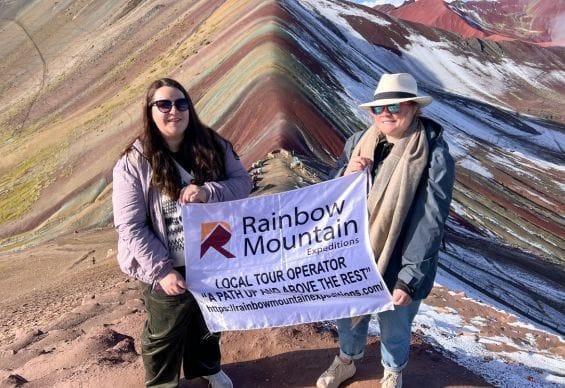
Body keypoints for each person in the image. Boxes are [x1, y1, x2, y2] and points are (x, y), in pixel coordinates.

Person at [316, 73, 455, 388]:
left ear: (412, 107)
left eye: (395, 105)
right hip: (354, 252)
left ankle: (393, 370)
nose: (386, 113)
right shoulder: (358, 142)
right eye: (378, 108)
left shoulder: (432, 152)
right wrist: (344, 173)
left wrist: (411, 276)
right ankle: (347, 360)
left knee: (395, 322)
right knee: (349, 313)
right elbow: (330, 197)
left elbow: (430, 218)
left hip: (402, 256)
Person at [112, 78, 253, 387]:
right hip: (164, 264)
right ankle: (162, 383)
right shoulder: (134, 162)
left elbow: (243, 184)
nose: (173, 110)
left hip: (212, 256)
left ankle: (206, 367)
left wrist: (208, 192)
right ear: (149, 112)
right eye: (163, 104)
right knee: (164, 330)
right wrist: (161, 270)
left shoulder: (214, 145)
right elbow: (129, 225)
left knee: (208, 319)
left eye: (180, 103)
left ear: (189, 107)